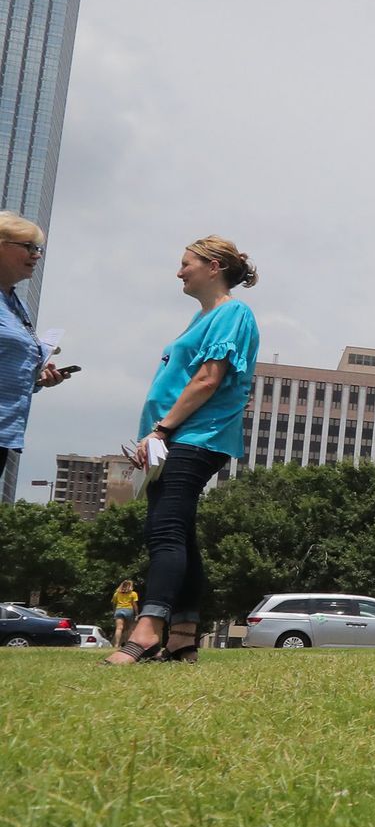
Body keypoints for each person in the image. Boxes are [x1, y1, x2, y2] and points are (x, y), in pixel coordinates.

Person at [106, 237, 260, 665]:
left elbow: (209, 379)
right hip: (175, 439)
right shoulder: (201, 317)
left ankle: (148, 630)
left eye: (185, 264)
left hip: (196, 437)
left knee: (165, 532)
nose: (179, 272)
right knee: (181, 536)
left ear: (213, 267)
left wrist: (162, 428)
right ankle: (183, 639)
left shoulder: (233, 312)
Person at [0, 213, 70, 488]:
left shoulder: (15, 303)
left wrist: (37, 380)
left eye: (38, 248)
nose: (36, 255)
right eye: (29, 247)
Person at [110, 579, 139, 647]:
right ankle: (127, 644)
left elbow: (114, 604)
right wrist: (137, 614)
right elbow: (134, 604)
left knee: (119, 628)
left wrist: (114, 611)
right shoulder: (133, 594)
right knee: (129, 629)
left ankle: (116, 644)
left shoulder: (116, 594)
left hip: (119, 609)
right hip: (129, 610)